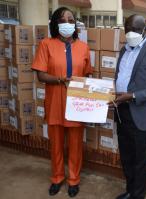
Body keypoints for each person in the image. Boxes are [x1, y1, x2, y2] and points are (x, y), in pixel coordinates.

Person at [31, 7, 92, 197]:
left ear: (76, 25)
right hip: (55, 102)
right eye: (63, 20)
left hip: (76, 104)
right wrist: (60, 80)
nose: (68, 23)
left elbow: (88, 74)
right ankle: (57, 178)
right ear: (56, 23)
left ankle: (74, 180)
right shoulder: (46, 44)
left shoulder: (83, 47)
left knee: (75, 145)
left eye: (72, 20)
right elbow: (40, 75)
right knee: (56, 144)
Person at [110, 15, 146, 199]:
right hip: (122, 111)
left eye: (135, 30)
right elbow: (121, 77)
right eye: (127, 29)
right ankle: (130, 191)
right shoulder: (123, 50)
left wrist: (133, 95)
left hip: (141, 113)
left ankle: (137, 196)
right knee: (126, 157)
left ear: (145, 30)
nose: (131, 33)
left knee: (139, 160)